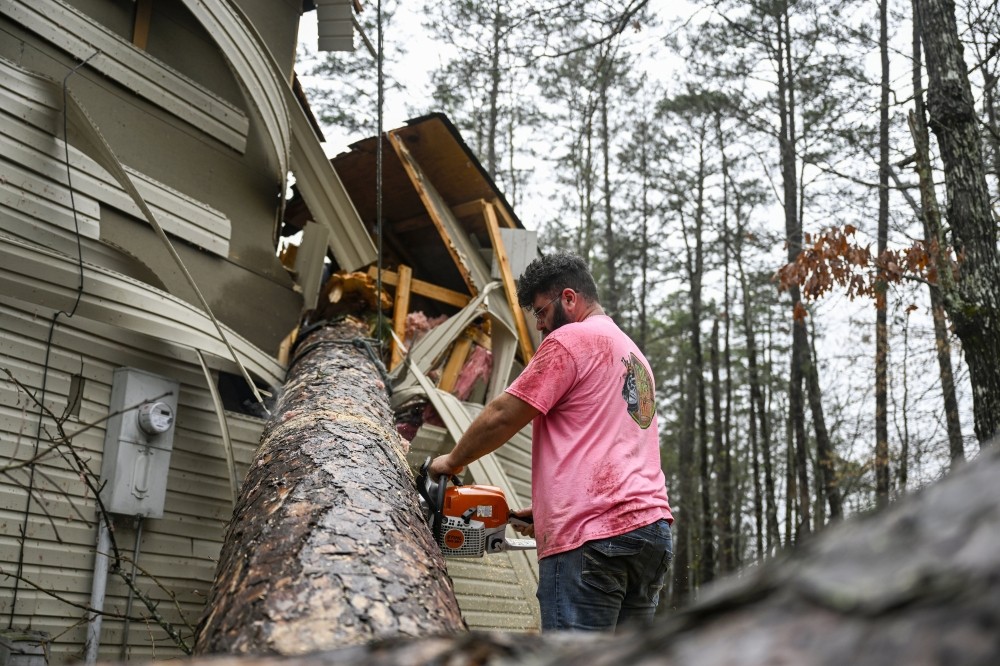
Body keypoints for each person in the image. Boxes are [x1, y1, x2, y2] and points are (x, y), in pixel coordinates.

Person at [429, 252, 673, 632]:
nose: (541, 326)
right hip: (650, 534)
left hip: (593, 539)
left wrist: (452, 462)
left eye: (541, 312)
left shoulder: (571, 340)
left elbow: (503, 415)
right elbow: (607, 446)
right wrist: (546, 509)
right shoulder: (632, 355)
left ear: (570, 299)